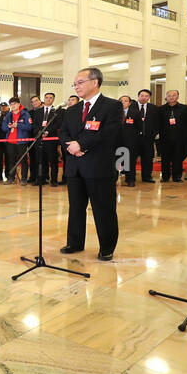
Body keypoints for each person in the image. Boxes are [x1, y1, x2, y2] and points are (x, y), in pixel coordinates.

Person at [59, 67, 122, 260]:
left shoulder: (112, 106)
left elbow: (108, 133)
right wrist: (72, 146)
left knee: (103, 208)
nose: (76, 87)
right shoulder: (72, 109)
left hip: (99, 166)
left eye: (80, 82)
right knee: (76, 207)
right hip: (75, 166)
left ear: (95, 82)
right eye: (75, 84)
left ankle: (107, 247)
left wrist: (81, 144)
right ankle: (75, 242)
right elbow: (63, 133)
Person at [157, 89, 187, 182]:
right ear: (166, 97)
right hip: (165, 138)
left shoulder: (184, 108)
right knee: (165, 159)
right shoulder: (161, 109)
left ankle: (177, 177)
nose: (171, 97)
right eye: (169, 95)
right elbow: (158, 124)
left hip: (179, 138)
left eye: (174, 95)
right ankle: (165, 177)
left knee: (178, 158)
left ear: (178, 96)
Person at [0, 97, 33, 185]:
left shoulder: (25, 114)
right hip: (10, 141)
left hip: (21, 141)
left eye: (14, 104)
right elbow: (3, 127)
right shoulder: (8, 115)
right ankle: (11, 178)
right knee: (11, 160)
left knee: (23, 160)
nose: (12, 106)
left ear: (18, 104)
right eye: (11, 104)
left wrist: (18, 125)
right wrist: (9, 127)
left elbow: (29, 127)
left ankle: (24, 178)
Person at [33, 93, 62, 186]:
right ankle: (41, 179)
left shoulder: (57, 111)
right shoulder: (37, 111)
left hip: (51, 139)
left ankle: (54, 180)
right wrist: (40, 132)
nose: (48, 99)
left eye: (50, 98)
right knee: (40, 160)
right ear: (43, 99)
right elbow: (35, 124)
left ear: (53, 100)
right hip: (39, 139)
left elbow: (57, 124)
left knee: (53, 160)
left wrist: (47, 132)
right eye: (46, 97)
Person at [134, 89, 160, 182]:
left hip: (148, 138)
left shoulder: (154, 108)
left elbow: (157, 122)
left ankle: (147, 177)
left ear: (149, 97)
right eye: (142, 95)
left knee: (148, 158)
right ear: (138, 96)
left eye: (146, 96)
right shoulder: (132, 106)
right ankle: (131, 177)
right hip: (134, 138)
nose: (144, 97)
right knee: (132, 158)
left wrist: (153, 134)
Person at [117, 95, 142, 187]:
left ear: (130, 103)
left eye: (126, 101)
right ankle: (113, 179)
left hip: (130, 142)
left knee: (129, 161)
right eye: (121, 101)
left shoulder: (135, 113)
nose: (123, 102)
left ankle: (130, 179)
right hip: (116, 141)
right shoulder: (114, 113)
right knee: (116, 161)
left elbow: (140, 126)